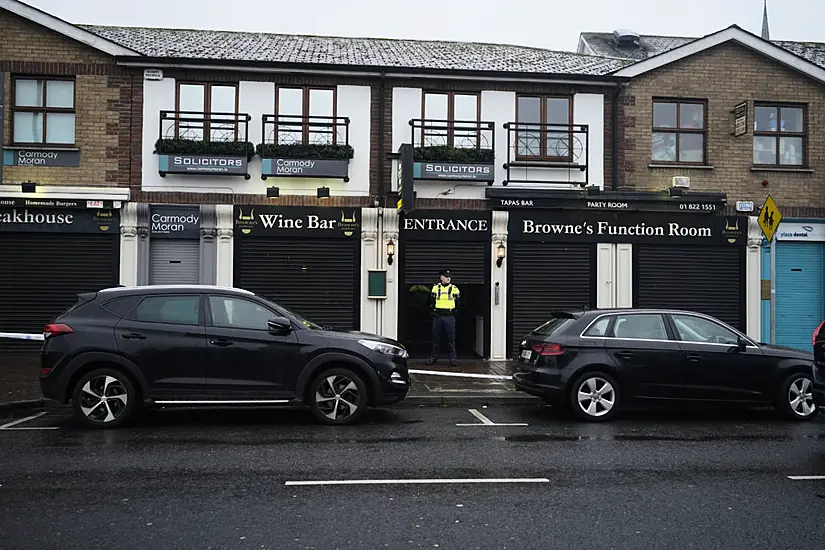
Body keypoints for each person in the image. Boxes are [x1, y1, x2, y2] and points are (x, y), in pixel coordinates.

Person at [425, 269, 460, 367]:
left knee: (451, 339)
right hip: (438, 316)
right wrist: (433, 312)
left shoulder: (454, 288)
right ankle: (433, 358)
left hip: (449, 316)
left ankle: (453, 359)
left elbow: (458, 303)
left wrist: (454, 312)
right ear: (441, 278)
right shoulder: (436, 288)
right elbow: (431, 301)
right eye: (445, 276)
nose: (448, 278)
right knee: (436, 339)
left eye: (449, 276)